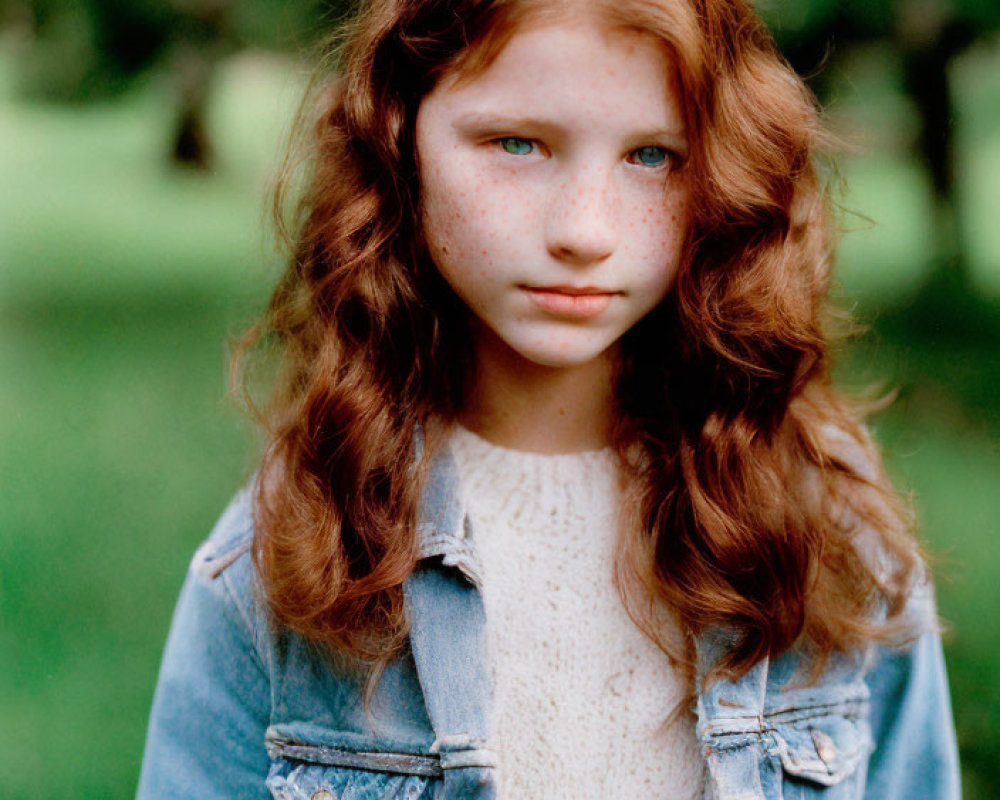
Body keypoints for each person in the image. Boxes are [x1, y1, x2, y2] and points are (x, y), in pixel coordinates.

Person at [137, 0, 961, 798]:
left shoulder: (830, 537)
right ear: (400, 135)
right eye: (519, 143)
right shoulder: (280, 562)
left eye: (652, 156)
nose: (584, 230)